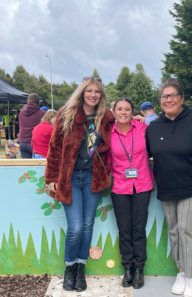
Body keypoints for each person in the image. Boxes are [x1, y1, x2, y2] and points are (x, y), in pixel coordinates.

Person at [145, 78, 192, 297]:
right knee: (174, 230)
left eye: (172, 95)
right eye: (164, 96)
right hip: (167, 187)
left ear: (181, 98)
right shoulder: (154, 126)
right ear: (160, 100)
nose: (168, 100)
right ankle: (182, 271)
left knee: (187, 229)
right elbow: (146, 153)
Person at [45, 77, 115, 292]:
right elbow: (55, 148)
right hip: (71, 178)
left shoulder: (106, 118)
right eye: (89, 91)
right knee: (75, 228)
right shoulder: (68, 114)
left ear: (101, 95)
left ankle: (80, 267)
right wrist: (51, 178)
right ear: (82, 93)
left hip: (93, 178)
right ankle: (69, 267)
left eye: (97, 92)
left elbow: (120, 133)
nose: (93, 95)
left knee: (87, 226)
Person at [109, 98, 154, 289]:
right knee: (124, 229)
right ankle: (127, 268)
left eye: (127, 109)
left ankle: (139, 269)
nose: (123, 112)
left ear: (133, 112)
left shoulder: (143, 128)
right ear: (114, 111)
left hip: (142, 184)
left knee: (138, 229)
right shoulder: (108, 132)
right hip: (119, 186)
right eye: (119, 109)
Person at [18, 93, 45, 158]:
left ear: (28, 101)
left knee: (26, 167)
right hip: (35, 143)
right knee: (36, 167)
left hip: (22, 142)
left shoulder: (21, 113)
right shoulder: (43, 114)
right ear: (39, 102)